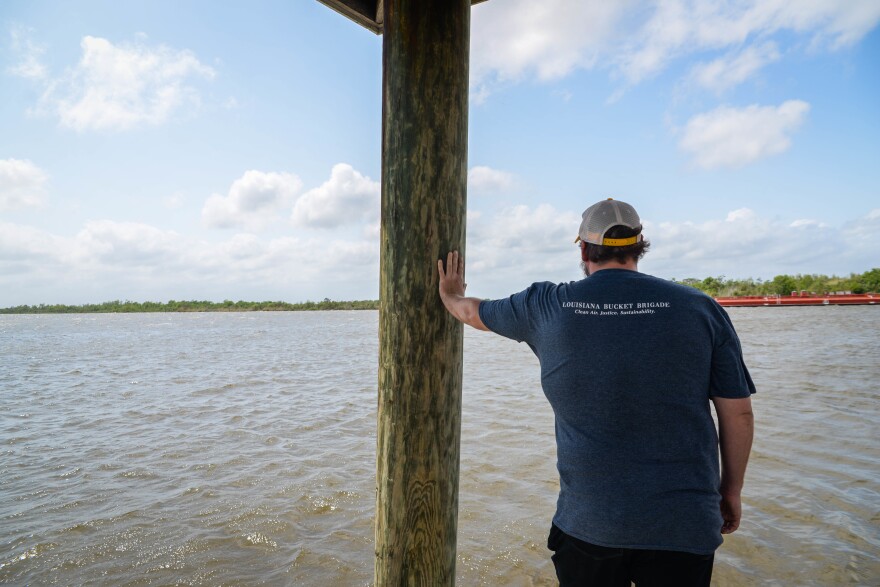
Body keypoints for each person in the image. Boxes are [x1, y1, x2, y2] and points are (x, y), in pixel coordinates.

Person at [437, 198, 755, 587]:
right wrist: (731, 490)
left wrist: (451, 295)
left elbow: (472, 312)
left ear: (584, 249)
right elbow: (737, 414)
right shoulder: (701, 308)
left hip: (590, 525)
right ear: (640, 246)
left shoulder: (546, 305)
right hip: (684, 523)